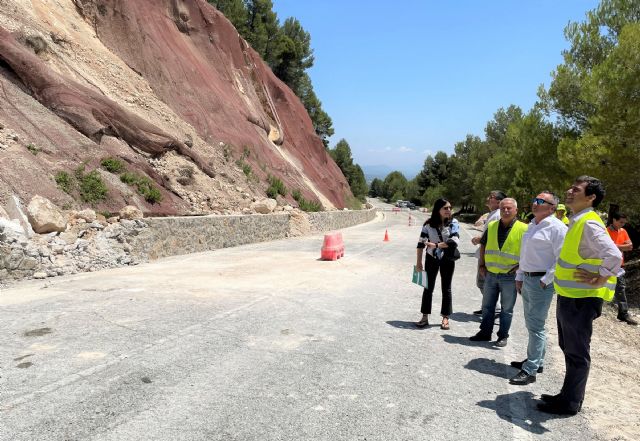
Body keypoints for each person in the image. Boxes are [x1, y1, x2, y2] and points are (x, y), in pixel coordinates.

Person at [538, 176, 623, 416]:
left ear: (591, 197)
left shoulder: (589, 222)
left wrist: (601, 277)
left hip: (581, 299)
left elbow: (614, 256)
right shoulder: (576, 220)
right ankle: (567, 396)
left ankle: (570, 403)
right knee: (569, 348)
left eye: (576, 189)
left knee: (577, 353)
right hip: (571, 296)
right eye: (570, 187)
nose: (569, 191)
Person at [509, 191, 567, 385]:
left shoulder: (557, 228)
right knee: (531, 323)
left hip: (540, 282)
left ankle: (531, 369)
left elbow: (562, 258)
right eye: (535, 199)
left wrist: (546, 279)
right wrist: (519, 275)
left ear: (552, 207)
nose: (535, 203)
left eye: (541, 201)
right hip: (527, 279)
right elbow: (524, 254)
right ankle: (536, 361)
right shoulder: (532, 225)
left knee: (536, 326)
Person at [470, 198, 528, 347]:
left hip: (510, 276)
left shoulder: (524, 228)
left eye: (509, 208)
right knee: (487, 306)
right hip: (491, 274)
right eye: (503, 208)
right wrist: (481, 265)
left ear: (516, 210)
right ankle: (485, 332)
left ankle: (503, 336)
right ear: (499, 210)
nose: (506, 211)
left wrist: (520, 267)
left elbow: (529, 251)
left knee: (506, 309)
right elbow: (483, 246)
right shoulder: (492, 225)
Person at [415, 198, 460, 330]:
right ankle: (424, 316)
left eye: (450, 208)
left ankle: (445, 317)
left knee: (446, 288)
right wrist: (419, 263)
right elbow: (420, 244)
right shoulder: (428, 224)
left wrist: (435, 245)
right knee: (427, 288)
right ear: (438, 209)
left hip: (447, 259)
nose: (448, 210)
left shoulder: (453, 223)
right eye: (445, 208)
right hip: (431, 258)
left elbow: (454, 242)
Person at [472, 190, 506, 315]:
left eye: (491, 197)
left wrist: (479, 239)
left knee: (484, 283)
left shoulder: (497, 215)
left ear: (498, 201)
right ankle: (487, 306)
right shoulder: (492, 214)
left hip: (489, 255)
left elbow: (495, 236)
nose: (487, 198)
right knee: (484, 283)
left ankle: (494, 308)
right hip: (485, 253)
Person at [607, 212, 638, 325]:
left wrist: (615, 245)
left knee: (621, 289)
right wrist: (621, 246)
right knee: (600, 287)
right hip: (607, 265)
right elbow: (606, 247)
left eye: (624, 223)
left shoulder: (623, 231)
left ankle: (623, 314)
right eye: (621, 222)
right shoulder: (606, 231)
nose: (623, 225)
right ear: (614, 220)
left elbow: (630, 246)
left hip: (619, 266)